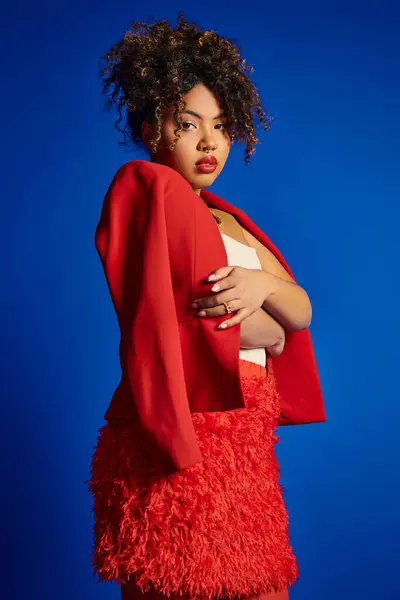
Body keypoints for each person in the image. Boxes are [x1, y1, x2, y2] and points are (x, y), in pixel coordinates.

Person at [88, 12, 326, 600]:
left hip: (242, 437)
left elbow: (300, 312)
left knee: (260, 581)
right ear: (152, 129)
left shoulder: (228, 220)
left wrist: (260, 290)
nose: (209, 142)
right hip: (190, 429)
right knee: (178, 581)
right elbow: (227, 323)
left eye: (221, 126)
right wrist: (264, 319)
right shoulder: (148, 190)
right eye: (188, 123)